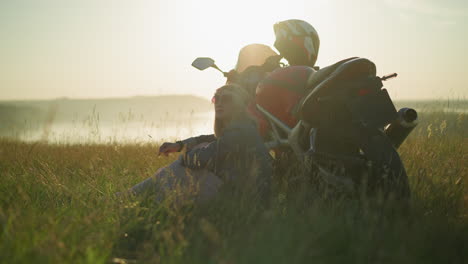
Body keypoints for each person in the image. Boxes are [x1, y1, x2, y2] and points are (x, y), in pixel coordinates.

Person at [130, 84, 272, 204]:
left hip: (245, 199)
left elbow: (203, 158)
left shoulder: (240, 131)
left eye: (227, 99)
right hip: (242, 193)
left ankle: (135, 198)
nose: (220, 103)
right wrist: (179, 145)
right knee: (178, 169)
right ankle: (144, 199)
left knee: (177, 170)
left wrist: (183, 158)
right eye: (216, 99)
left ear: (240, 104)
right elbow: (209, 139)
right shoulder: (242, 127)